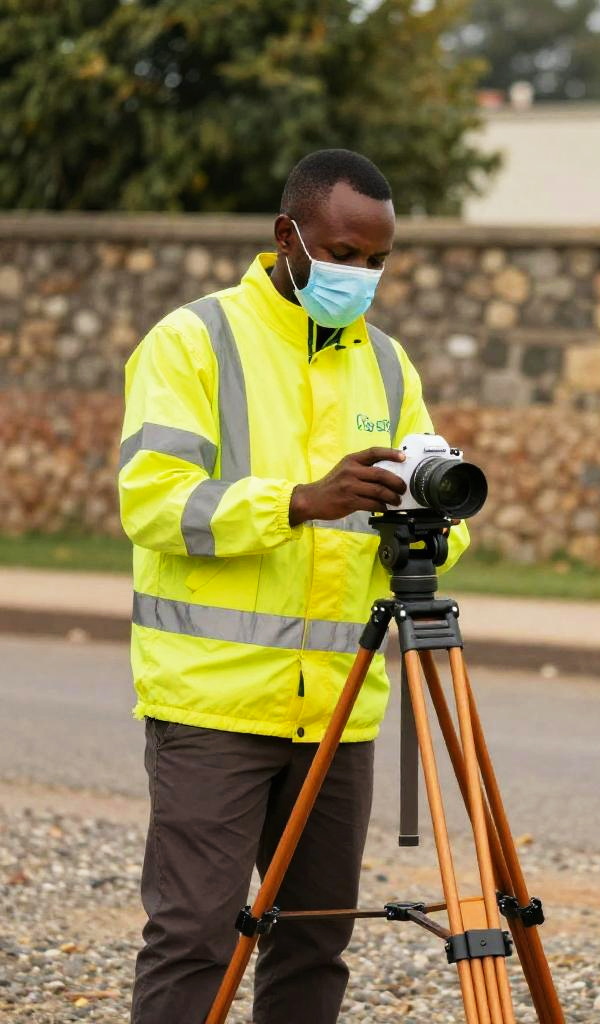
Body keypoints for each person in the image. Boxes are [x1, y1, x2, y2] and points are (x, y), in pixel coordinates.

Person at [119, 148, 468, 1024]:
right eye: (344, 253)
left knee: (314, 943)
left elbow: (432, 516)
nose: (361, 275)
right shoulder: (191, 342)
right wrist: (299, 502)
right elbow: (153, 502)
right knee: (194, 937)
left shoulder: (387, 364)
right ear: (287, 234)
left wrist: (432, 528)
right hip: (214, 706)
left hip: (339, 713)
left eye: (377, 260)